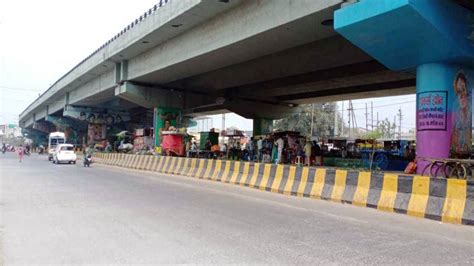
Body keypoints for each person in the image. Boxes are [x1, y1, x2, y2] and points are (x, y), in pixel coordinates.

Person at [450, 72, 471, 158]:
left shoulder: (471, 112)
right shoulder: (456, 114)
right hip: (458, 156)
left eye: (463, 89)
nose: (461, 95)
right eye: (458, 92)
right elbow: (454, 141)